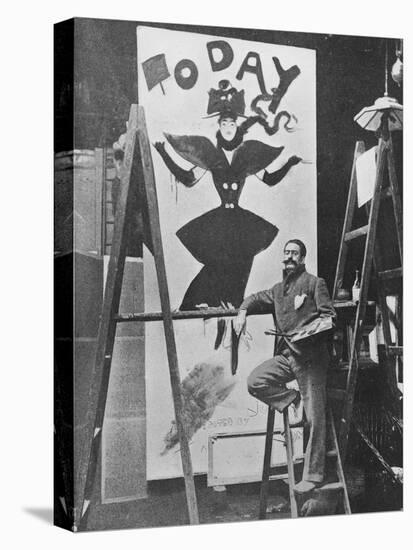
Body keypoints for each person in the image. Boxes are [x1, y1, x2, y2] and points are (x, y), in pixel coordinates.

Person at [154, 81, 301, 311]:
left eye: (232, 122)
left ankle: (232, 301)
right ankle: (195, 301)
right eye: (224, 123)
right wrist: (164, 153)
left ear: (237, 126)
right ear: (219, 126)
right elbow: (187, 178)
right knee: (217, 261)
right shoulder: (211, 156)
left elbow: (270, 179)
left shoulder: (247, 156)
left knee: (243, 260)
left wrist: (289, 163)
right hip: (220, 220)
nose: (229, 127)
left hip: (240, 221)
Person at [233, 239, 336, 493]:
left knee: (315, 419)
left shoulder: (314, 283)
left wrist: (306, 332)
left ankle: (313, 475)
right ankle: (292, 399)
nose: (289, 257)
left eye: (295, 253)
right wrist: (242, 311)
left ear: (302, 259)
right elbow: (256, 297)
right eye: (287, 252)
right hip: (288, 356)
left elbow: (329, 317)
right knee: (255, 381)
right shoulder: (278, 290)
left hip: (311, 358)